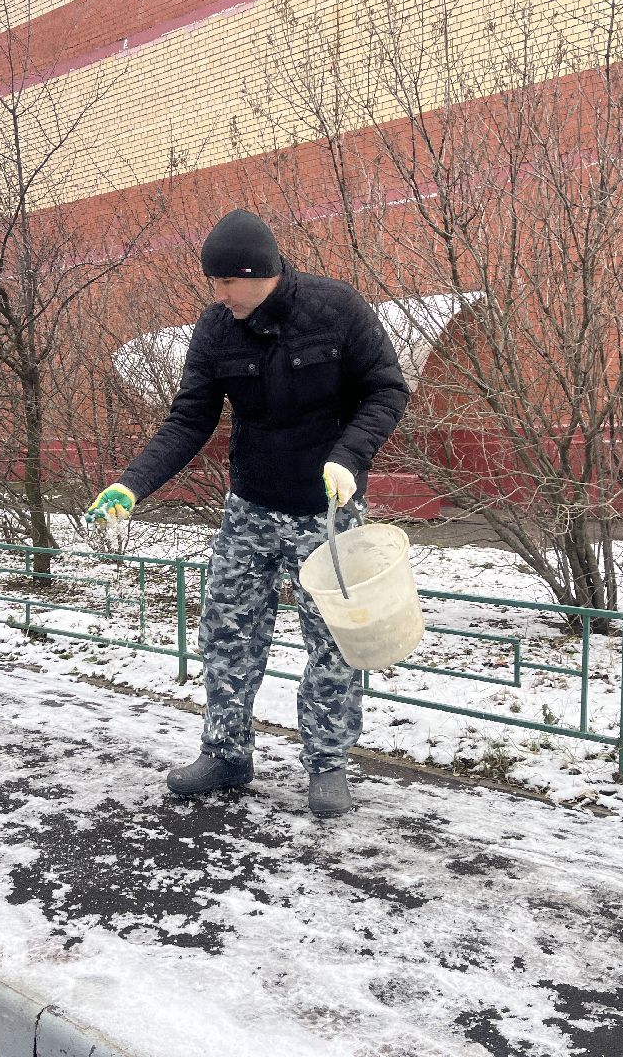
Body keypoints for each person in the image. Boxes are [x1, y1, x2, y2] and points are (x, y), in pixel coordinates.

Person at [87, 209, 409, 816]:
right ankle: (227, 754)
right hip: (251, 508)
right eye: (214, 285)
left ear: (257, 273)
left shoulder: (336, 309)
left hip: (328, 513)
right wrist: (132, 485)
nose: (219, 295)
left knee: (333, 644)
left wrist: (350, 456)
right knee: (228, 631)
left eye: (226, 283)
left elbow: (387, 388)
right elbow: (189, 418)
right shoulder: (216, 330)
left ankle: (328, 764)